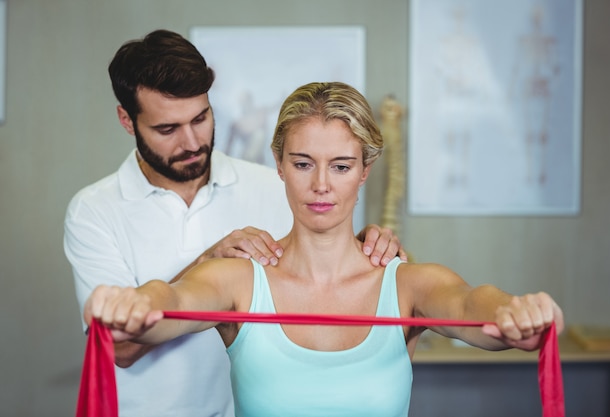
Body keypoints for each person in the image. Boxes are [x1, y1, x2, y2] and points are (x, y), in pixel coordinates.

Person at [84, 81, 565, 417]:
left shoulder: (409, 283)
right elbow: (171, 302)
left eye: (340, 166)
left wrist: (515, 311)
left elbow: (471, 303)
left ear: (364, 170)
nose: (320, 186)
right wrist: (135, 302)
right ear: (278, 165)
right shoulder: (237, 280)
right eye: (302, 163)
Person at [64, 31, 405, 417]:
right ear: (127, 120)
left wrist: (367, 246)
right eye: (167, 129)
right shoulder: (92, 211)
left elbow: (322, 255)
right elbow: (119, 349)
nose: (192, 141)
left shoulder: (272, 185)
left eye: (201, 118)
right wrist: (208, 260)